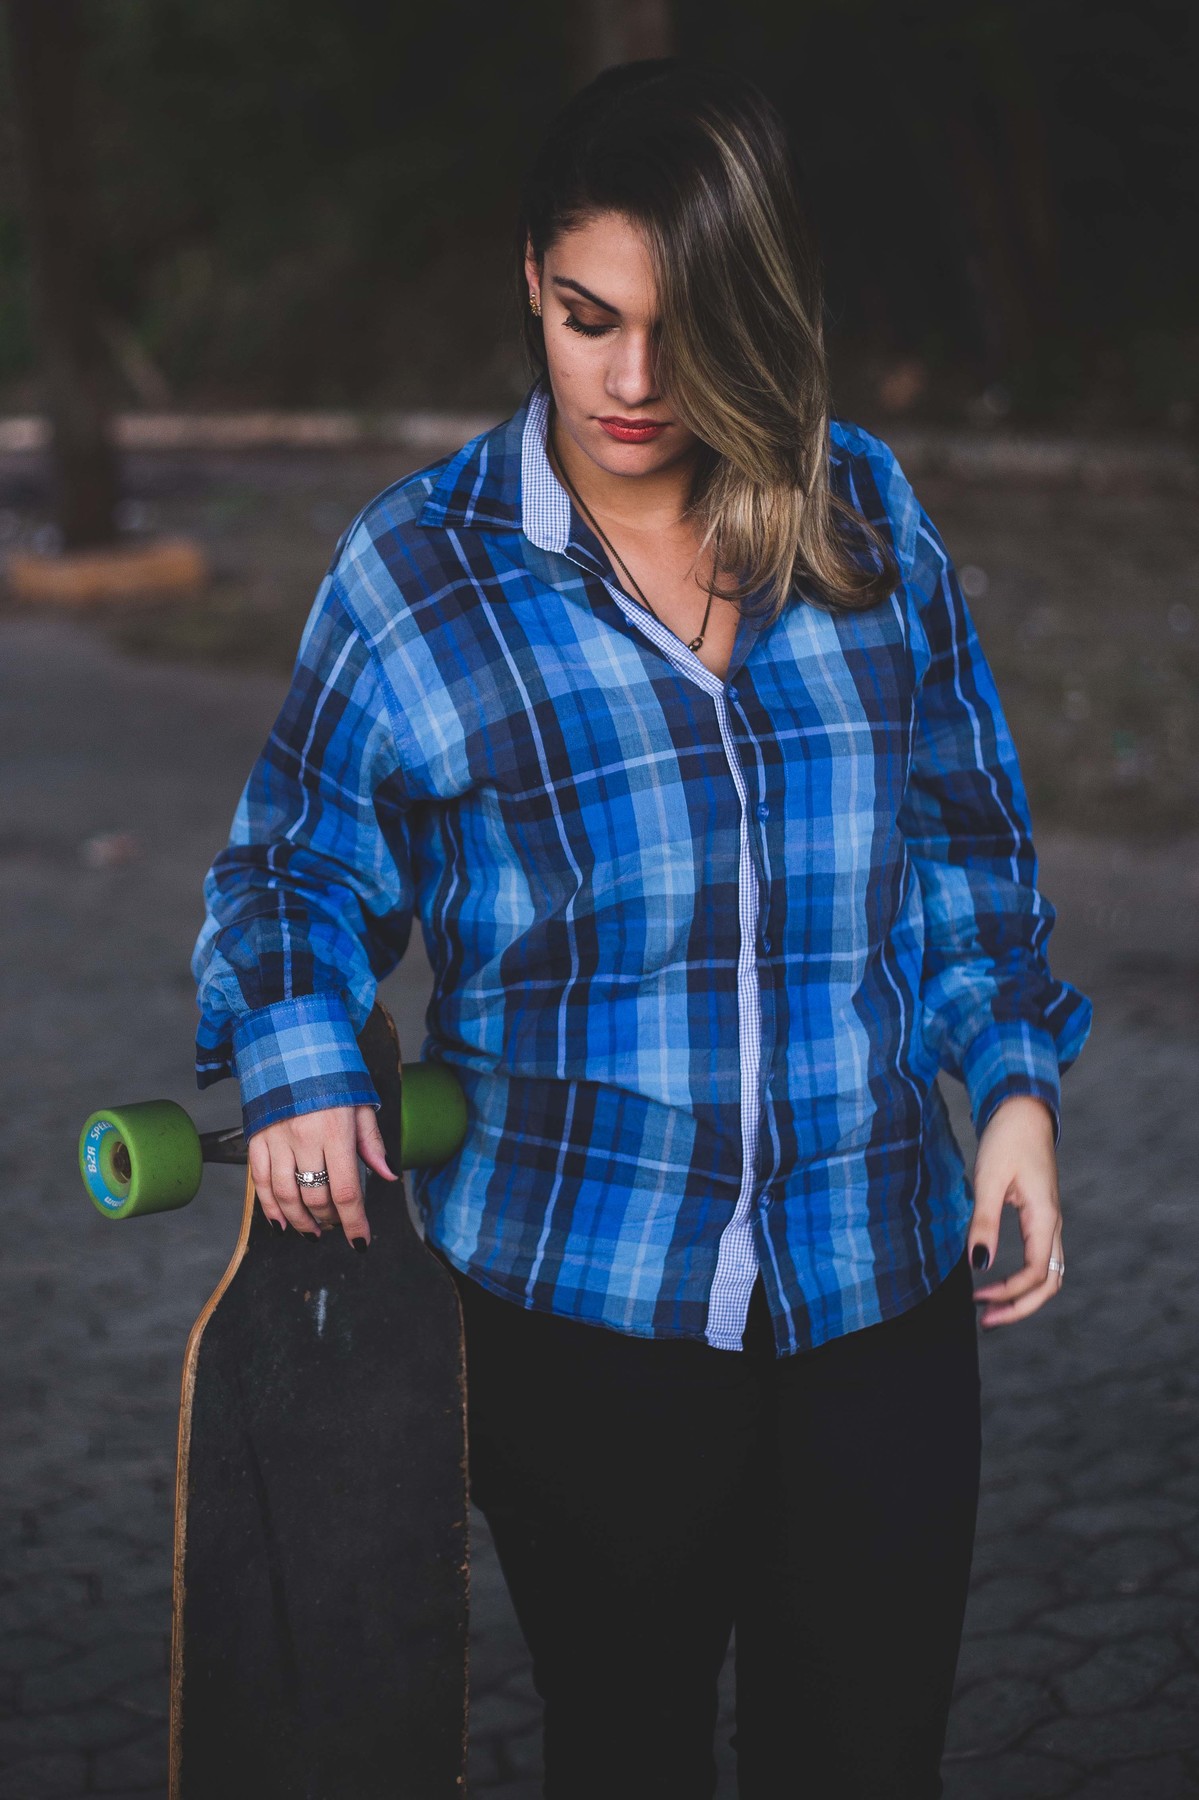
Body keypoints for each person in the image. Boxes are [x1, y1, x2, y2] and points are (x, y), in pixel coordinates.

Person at [191, 59, 1093, 1800]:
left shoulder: (866, 520)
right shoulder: (420, 575)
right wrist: (302, 1060)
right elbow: (288, 871)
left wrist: (1017, 1088)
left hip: (881, 1289)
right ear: (528, 279)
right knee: (628, 1756)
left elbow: (963, 847)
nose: (632, 380)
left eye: (684, 326)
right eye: (588, 315)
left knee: (866, 1761)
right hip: (583, 1317)